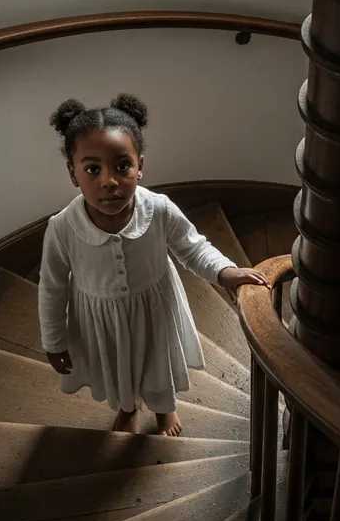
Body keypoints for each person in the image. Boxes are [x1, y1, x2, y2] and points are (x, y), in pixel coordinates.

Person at [38, 94, 270, 436]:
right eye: (92, 169)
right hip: (102, 321)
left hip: (156, 309)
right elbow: (52, 289)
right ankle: (128, 407)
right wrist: (54, 341)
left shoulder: (158, 210)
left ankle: (165, 409)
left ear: (140, 166)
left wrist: (225, 271)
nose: (108, 181)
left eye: (121, 166)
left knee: (159, 364)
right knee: (118, 369)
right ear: (73, 173)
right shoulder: (62, 228)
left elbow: (192, 249)